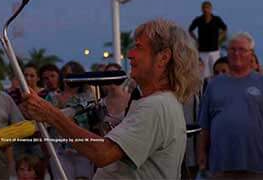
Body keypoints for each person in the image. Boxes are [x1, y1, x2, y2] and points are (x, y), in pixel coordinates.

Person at [22, 18, 202, 179]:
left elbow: (103, 154)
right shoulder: (162, 103)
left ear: (163, 58)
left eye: (139, 47)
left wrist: (51, 115)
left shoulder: (156, 106)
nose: (130, 54)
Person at [198, 32, 263, 178]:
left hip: (257, 163)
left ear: (251, 54)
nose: (236, 53)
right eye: (232, 49)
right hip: (220, 165)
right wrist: (201, 153)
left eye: (242, 49)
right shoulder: (213, 85)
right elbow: (205, 125)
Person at [44, 61, 95, 180]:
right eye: (66, 76)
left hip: (84, 150)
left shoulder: (88, 97)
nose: (69, 80)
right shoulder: (52, 97)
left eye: (73, 76)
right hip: (59, 150)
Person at [188, 1, 228, 79]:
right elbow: (190, 30)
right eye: (204, 8)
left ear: (211, 9)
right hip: (203, 50)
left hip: (214, 50)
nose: (206, 10)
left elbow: (224, 29)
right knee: (204, 73)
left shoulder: (216, 19)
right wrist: (195, 39)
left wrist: (219, 38)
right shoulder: (198, 20)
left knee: (216, 70)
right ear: (201, 9)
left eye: (207, 8)